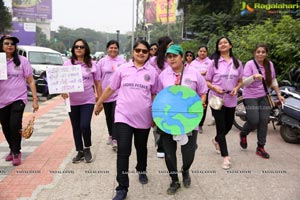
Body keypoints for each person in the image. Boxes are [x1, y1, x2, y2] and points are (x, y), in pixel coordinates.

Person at [94, 40, 158, 200]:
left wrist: (155, 116)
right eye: (138, 50)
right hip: (123, 116)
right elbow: (110, 88)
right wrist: (99, 102)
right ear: (133, 52)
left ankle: (141, 169)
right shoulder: (123, 69)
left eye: (144, 51)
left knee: (141, 147)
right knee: (123, 150)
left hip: (144, 117)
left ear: (148, 53)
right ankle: (122, 187)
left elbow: (155, 94)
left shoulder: (153, 72)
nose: (141, 53)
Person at [157, 44, 207, 194]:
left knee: (189, 153)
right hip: (168, 120)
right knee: (169, 152)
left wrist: (202, 101)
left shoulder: (194, 74)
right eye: (169, 56)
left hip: (189, 120)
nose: (171, 59)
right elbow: (159, 96)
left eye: (174, 56)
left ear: (182, 57)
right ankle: (174, 180)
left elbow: (203, 92)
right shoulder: (163, 75)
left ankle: (185, 170)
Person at [0, 35, 39, 166]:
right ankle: (12, 149)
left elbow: (31, 80)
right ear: (2, 45)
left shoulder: (22, 61)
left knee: (15, 124)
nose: (10, 45)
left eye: (12, 43)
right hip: (2, 100)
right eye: (6, 43)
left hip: (19, 98)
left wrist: (34, 99)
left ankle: (17, 152)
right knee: (5, 126)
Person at [240, 44, 284, 159]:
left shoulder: (269, 64)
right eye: (258, 52)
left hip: (264, 96)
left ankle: (260, 147)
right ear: (255, 53)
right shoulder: (250, 64)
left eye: (263, 52)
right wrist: (253, 77)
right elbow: (244, 82)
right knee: (254, 120)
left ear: (266, 53)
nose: (260, 54)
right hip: (250, 96)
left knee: (264, 121)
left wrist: (279, 94)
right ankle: (243, 133)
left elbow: (273, 80)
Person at [206, 36, 243, 170]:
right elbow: (207, 80)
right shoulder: (213, 63)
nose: (222, 45)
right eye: (220, 43)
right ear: (218, 47)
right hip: (216, 98)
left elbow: (240, 80)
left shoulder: (237, 63)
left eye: (225, 42)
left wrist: (236, 88)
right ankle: (226, 157)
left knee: (228, 125)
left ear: (230, 45)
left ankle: (216, 140)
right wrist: (214, 87)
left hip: (231, 98)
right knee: (221, 127)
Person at [61, 39, 101, 163]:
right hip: (71, 101)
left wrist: (99, 99)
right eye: (76, 47)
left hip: (87, 100)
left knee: (84, 125)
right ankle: (80, 151)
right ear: (73, 49)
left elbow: (98, 82)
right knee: (76, 126)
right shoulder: (67, 64)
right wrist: (62, 90)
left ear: (86, 49)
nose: (79, 49)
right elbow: (61, 80)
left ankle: (87, 147)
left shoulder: (93, 64)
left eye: (82, 47)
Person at [96, 40, 126, 151]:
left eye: (115, 48)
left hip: (118, 93)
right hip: (106, 93)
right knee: (108, 116)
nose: (113, 49)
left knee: (115, 116)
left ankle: (115, 139)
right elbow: (98, 79)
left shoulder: (123, 61)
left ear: (118, 49)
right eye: (111, 47)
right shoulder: (101, 62)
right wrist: (98, 96)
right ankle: (111, 134)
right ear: (107, 49)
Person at [149, 36, 173, 158]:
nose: (172, 47)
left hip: (171, 95)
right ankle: (160, 145)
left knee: (169, 119)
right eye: (170, 45)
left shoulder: (172, 59)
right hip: (158, 95)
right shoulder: (153, 61)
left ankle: (168, 143)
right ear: (164, 46)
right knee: (159, 121)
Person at [190, 46, 213, 133]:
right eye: (201, 51)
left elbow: (211, 74)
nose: (202, 53)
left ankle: (200, 125)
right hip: (194, 88)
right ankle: (192, 122)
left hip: (205, 89)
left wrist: (205, 74)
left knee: (203, 106)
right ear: (198, 52)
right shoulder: (193, 63)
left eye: (204, 51)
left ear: (207, 53)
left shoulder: (210, 63)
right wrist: (201, 73)